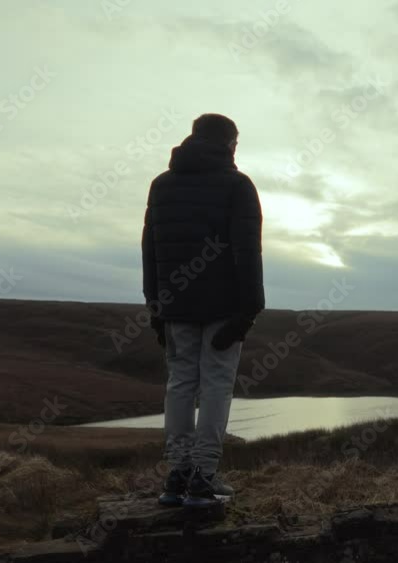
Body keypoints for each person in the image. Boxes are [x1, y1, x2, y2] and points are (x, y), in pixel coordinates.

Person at [141, 113, 264, 507]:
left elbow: (150, 253)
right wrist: (250, 311)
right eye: (236, 143)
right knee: (215, 386)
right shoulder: (238, 186)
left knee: (179, 385)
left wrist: (155, 309)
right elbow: (248, 253)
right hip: (224, 308)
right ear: (230, 144)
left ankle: (177, 476)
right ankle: (204, 478)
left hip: (175, 307)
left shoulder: (161, 185)